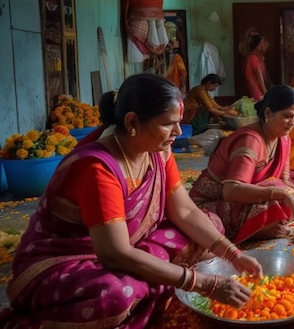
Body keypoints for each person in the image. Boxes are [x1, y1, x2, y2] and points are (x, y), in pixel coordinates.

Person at [0, 74, 263, 328]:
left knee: (209, 225)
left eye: (178, 122)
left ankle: (155, 280)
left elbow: (184, 211)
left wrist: (234, 254)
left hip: (127, 246)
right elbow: (115, 253)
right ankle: (152, 285)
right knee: (114, 295)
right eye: (168, 123)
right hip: (70, 263)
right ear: (132, 122)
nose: (178, 131)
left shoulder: (158, 151)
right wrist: (204, 284)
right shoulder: (96, 167)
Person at [189, 85, 294, 243]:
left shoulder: (283, 138)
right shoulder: (250, 140)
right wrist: (284, 194)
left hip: (252, 193)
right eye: (287, 116)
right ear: (268, 113)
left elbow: (285, 181)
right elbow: (231, 191)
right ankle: (260, 229)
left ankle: (270, 220)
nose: (292, 122)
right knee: (279, 196)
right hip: (212, 204)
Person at [244, 33, 272, 101]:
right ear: (256, 45)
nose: (262, 46)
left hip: (255, 87)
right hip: (256, 88)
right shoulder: (253, 58)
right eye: (260, 44)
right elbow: (259, 76)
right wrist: (265, 91)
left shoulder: (256, 57)